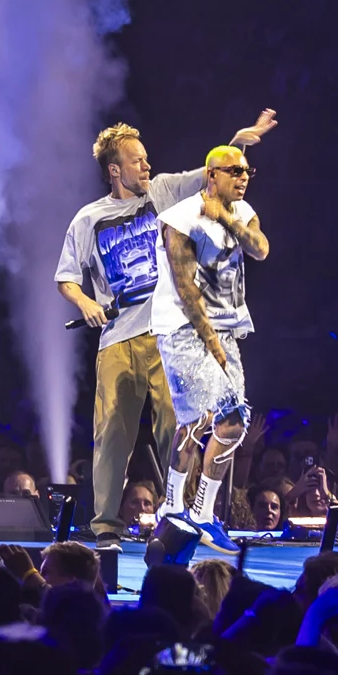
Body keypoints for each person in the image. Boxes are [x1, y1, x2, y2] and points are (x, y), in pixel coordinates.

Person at [57, 111, 277, 549]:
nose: (146, 166)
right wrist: (85, 303)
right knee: (113, 431)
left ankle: (187, 517)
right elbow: (66, 277)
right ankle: (105, 528)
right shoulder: (89, 218)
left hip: (169, 333)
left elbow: (209, 176)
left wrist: (239, 141)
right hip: (118, 336)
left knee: (182, 425)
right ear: (114, 169)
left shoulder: (163, 192)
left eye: (146, 159)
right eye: (137, 161)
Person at [152, 144, 270, 544]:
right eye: (233, 171)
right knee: (230, 421)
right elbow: (186, 290)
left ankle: (173, 505)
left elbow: (261, 249)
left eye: (247, 171)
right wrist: (212, 345)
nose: (242, 178)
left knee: (200, 422)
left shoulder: (241, 211)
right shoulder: (182, 219)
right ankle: (198, 512)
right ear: (211, 175)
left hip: (226, 329)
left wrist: (228, 219)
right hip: (186, 330)